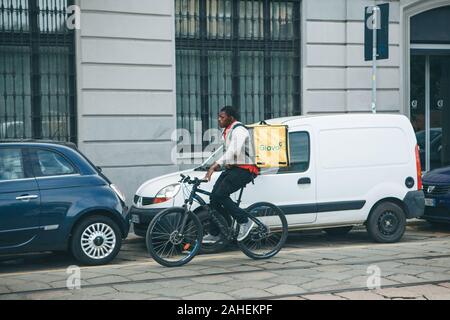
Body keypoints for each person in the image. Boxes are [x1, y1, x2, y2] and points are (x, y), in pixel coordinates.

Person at [204, 106, 259, 242]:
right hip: (234, 169)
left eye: (222, 117)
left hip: (245, 170)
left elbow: (233, 151)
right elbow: (229, 154)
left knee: (221, 194)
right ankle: (217, 231)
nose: (219, 119)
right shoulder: (227, 131)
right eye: (219, 116)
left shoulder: (239, 130)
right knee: (214, 198)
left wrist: (216, 165)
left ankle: (245, 221)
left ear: (231, 118)